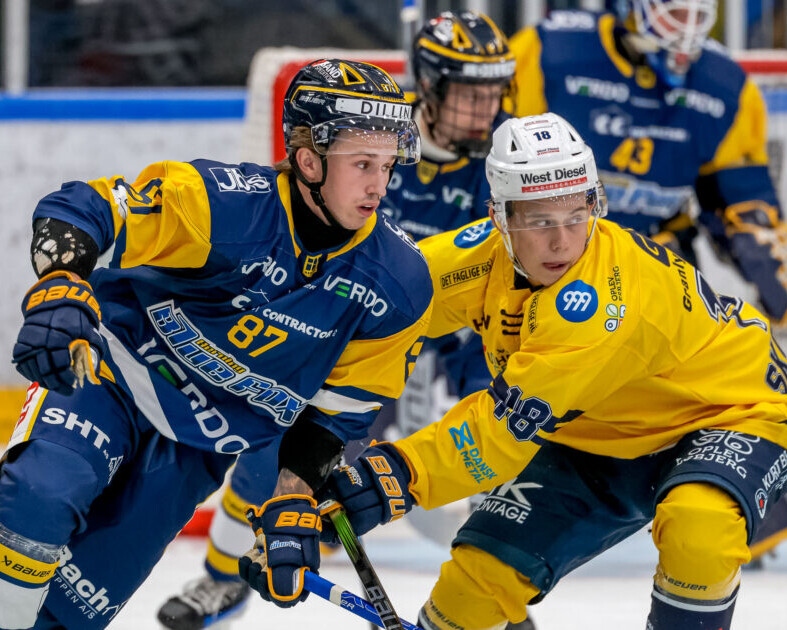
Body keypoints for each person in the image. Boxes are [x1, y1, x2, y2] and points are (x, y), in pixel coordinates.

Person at [242, 113, 787, 629]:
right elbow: (371, 308)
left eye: (576, 215)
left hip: (732, 409)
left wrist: (393, 477)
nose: (561, 241)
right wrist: (294, 485)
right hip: (597, 431)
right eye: (538, 219)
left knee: (698, 531)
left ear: (595, 205)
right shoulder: (481, 259)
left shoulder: (603, 306)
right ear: (499, 217)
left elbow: (498, 434)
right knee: (473, 585)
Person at [0, 58, 433, 630]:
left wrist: (291, 499)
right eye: (362, 164)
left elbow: (336, 416)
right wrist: (60, 285)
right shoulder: (225, 205)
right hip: (110, 376)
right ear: (308, 160)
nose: (379, 185)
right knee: (37, 500)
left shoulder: (398, 284)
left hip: (198, 448)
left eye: (387, 164)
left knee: (71, 612)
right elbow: (83, 208)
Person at [154, 12, 518, 630]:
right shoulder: (367, 133)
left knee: (500, 440)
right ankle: (223, 577)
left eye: (493, 94)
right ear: (430, 86)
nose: (485, 111)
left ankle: (492, 595)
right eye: (469, 94)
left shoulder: (501, 156)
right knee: (273, 453)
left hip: (461, 326)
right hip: (355, 323)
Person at [508, 0, 787, 566]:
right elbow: (491, 167)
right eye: (673, 9)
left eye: (698, 11)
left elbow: (745, 202)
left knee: (720, 375)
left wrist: (777, 280)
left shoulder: (725, 85)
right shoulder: (551, 51)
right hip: (545, 258)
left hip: (652, 270)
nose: (687, 26)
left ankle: (728, 499)